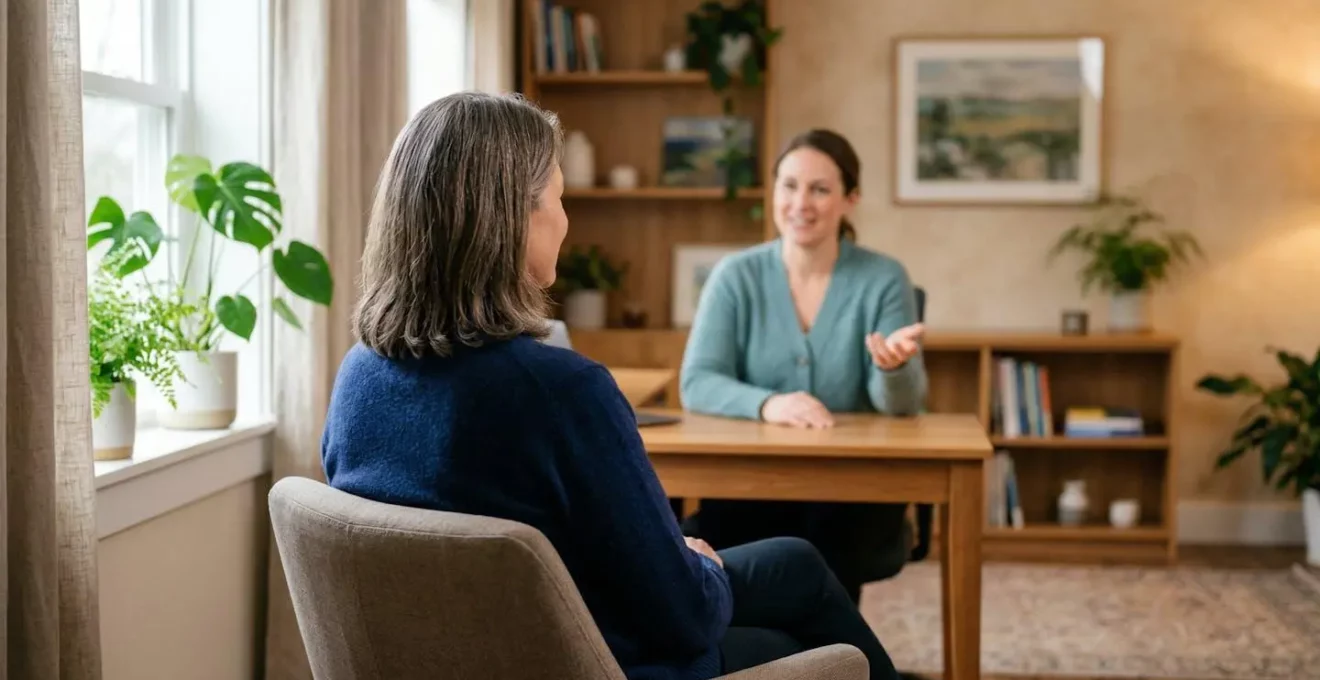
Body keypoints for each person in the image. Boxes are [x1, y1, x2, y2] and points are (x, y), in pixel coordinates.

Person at [320, 92, 902, 680]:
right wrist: (698, 569)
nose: (567, 221)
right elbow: (682, 616)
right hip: (586, 660)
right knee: (787, 617)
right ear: (512, 219)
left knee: (790, 573)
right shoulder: (564, 391)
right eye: (560, 198)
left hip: (452, 657)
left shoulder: (357, 377)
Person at [678, 128, 929, 605]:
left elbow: (902, 409)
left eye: (820, 189)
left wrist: (893, 369)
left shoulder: (883, 278)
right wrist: (769, 404)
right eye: (789, 186)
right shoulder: (736, 275)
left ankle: (833, 665)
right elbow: (697, 381)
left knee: (826, 548)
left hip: (854, 491)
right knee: (725, 539)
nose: (801, 203)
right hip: (752, 484)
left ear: (850, 199)